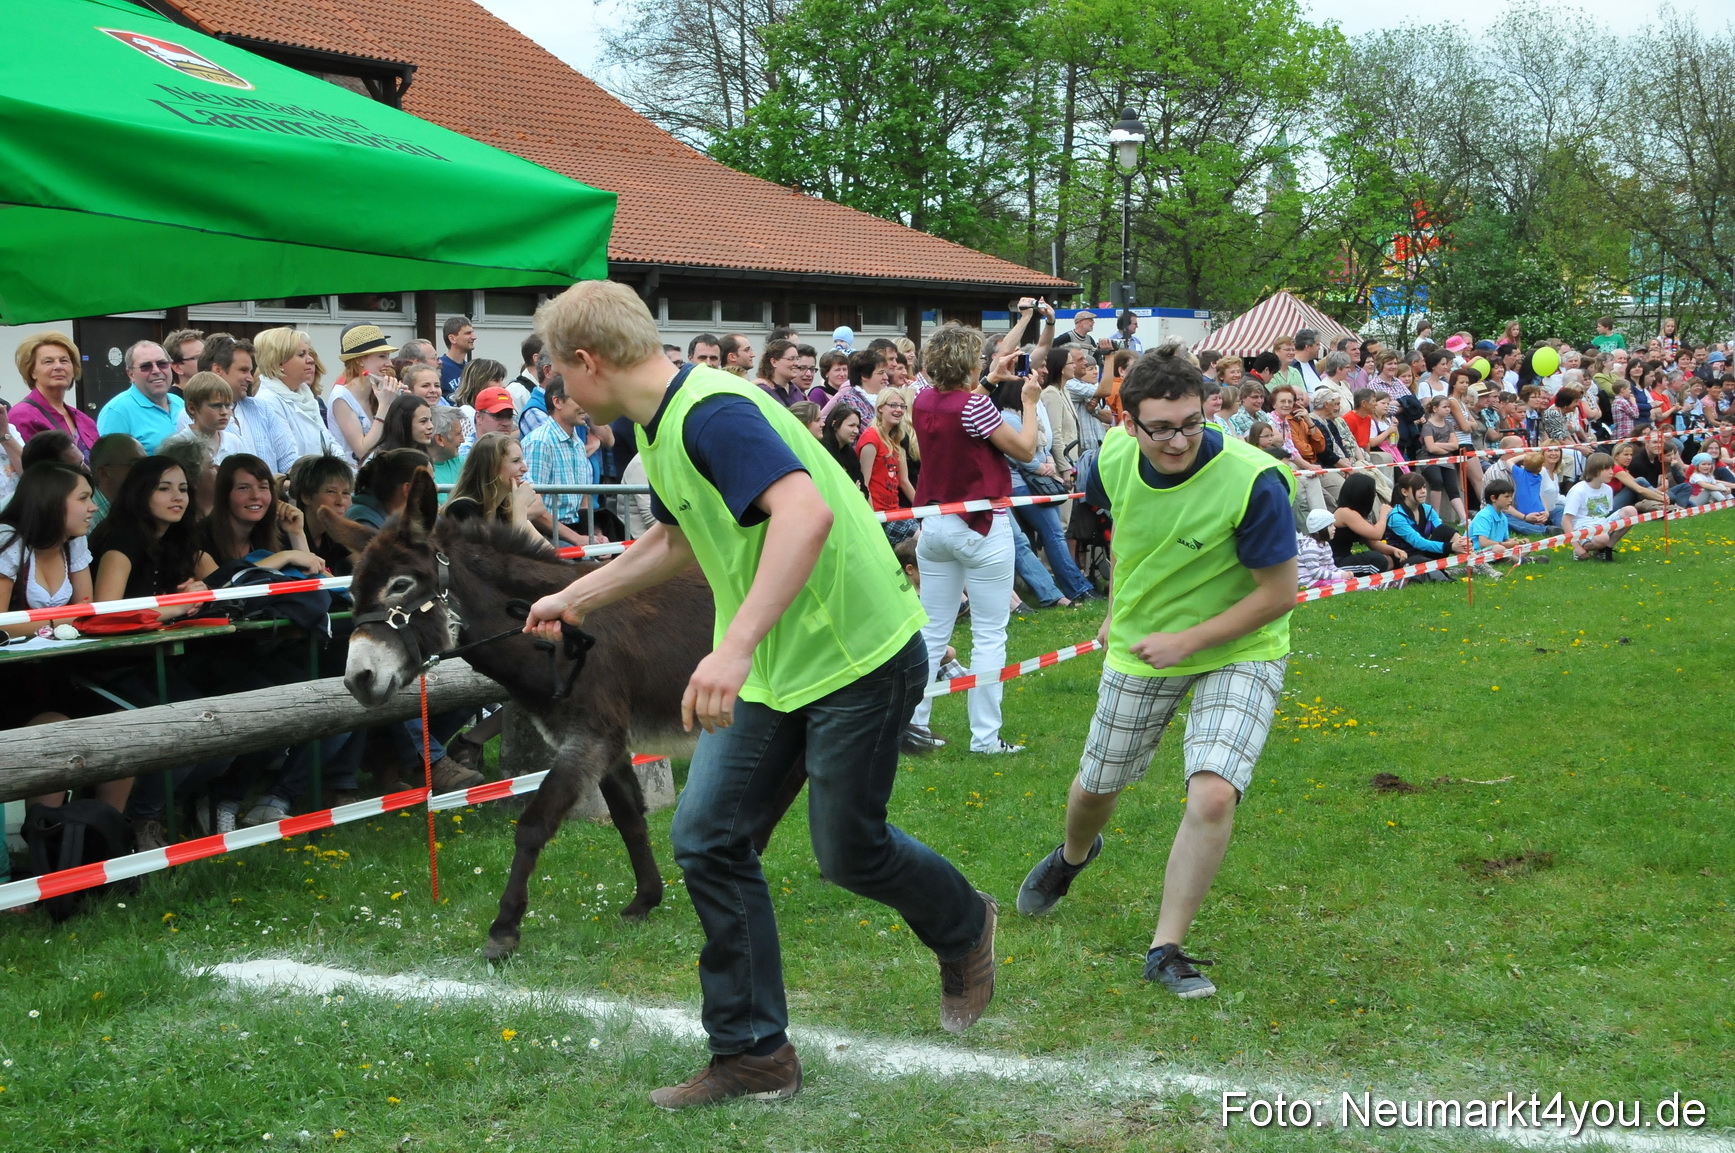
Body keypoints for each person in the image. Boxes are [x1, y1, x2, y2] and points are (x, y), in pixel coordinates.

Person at [523, 281, 997, 1108]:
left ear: (587, 363)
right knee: (707, 838)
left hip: (859, 653)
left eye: (560, 373)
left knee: (848, 850)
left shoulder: (712, 412)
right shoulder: (661, 421)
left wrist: (731, 647)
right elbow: (675, 536)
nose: (562, 388)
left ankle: (963, 923)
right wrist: (579, 595)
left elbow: (804, 515)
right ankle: (753, 1053)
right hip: (780, 664)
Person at [1015, 343, 1296, 1001]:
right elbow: (1132, 539)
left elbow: (1276, 593)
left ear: (1210, 407)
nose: (1178, 440)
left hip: (1241, 645)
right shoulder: (1110, 459)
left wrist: (1189, 640)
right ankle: (1072, 856)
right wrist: (1120, 610)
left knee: (1213, 791)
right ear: (1127, 422)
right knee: (1095, 785)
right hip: (1143, 645)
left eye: (1192, 422)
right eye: (1161, 427)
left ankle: (1164, 948)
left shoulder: (1254, 480)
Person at [905, 330, 1043, 756]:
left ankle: (914, 726)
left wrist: (990, 380)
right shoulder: (975, 405)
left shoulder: (922, 399)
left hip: (934, 525)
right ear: (969, 365)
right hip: (980, 525)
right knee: (988, 634)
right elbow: (1025, 450)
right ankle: (985, 738)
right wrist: (1030, 403)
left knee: (931, 631)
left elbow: (955, 408)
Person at [0, 462, 96, 640]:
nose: (93, 507)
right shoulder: (8, 539)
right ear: (52, 501)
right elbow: (1, 623)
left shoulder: (75, 540)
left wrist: (50, 622)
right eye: (83, 498)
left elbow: (85, 609)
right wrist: (58, 621)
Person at [195, 454, 326, 575]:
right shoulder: (198, 538)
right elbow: (221, 584)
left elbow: (312, 581)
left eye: (263, 487)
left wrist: (296, 533)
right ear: (224, 494)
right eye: (243, 488)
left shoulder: (277, 534)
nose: (255, 496)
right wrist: (285, 557)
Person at [521, 373, 604, 546]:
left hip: (572, 530)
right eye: (578, 399)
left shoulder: (577, 442)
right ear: (557, 402)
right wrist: (578, 539)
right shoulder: (540, 442)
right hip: (545, 535)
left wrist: (595, 535)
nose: (585, 406)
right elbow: (533, 509)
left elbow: (583, 502)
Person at [195, 334, 294, 472]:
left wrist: (281, 484)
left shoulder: (262, 408)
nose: (250, 379)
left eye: (250, 371)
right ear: (218, 370)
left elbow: (290, 461)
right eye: (243, 370)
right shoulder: (194, 415)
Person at [254, 327, 342, 463]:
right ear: (278, 362)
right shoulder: (268, 402)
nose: (311, 360)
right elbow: (290, 460)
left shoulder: (307, 397)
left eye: (308, 354)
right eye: (302, 354)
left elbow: (330, 443)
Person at [11, 332, 98, 460]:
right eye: (48, 362)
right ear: (32, 371)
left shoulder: (84, 420)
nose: (58, 366)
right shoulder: (22, 417)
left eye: (64, 360)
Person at [444, 431, 547, 537]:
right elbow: (513, 550)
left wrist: (518, 509)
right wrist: (520, 507)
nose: (525, 468)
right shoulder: (462, 509)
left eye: (522, 460)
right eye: (516, 461)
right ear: (492, 468)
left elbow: (545, 550)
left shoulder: (504, 508)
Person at [326, 324, 401, 465]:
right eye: (382, 356)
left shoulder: (377, 392)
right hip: (352, 481)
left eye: (388, 356)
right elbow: (362, 451)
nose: (389, 363)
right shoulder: (341, 396)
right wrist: (385, 405)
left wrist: (399, 402)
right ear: (359, 360)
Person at [97, 341, 185, 452]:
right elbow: (113, 464)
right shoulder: (117, 412)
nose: (156, 371)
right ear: (131, 374)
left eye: (162, 364)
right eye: (146, 366)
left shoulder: (180, 403)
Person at [288, 454, 357, 575]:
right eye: (331, 492)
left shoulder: (334, 534)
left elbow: (366, 565)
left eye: (346, 492)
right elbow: (317, 580)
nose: (340, 501)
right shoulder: (287, 533)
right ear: (306, 497)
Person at [855, 385, 917, 519]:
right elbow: (864, 484)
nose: (899, 410)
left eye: (902, 406)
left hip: (894, 509)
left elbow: (904, 481)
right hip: (878, 513)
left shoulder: (897, 438)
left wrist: (923, 510)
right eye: (893, 405)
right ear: (880, 408)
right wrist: (873, 518)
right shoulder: (871, 438)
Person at [159, 371, 242, 465]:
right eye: (216, 406)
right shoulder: (178, 445)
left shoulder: (233, 441)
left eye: (228, 406)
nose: (224, 412)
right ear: (192, 408)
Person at [1562, 452, 1633, 561]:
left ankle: (1606, 549)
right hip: (1583, 527)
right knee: (1602, 538)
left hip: (1602, 524)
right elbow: (1566, 520)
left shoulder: (1608, 489)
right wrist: (1576, 546)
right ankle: (1582, 548)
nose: (1611, 472)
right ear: (1595, 470)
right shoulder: (1578, 490)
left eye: (1612, 468)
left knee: (1630, 511)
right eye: (1607, 469)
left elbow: (1605, 514)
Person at [1330, 472, 1403, 572]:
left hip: (1345, 559)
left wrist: (1394, 550)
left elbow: (1372, 543)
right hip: (1334, 564)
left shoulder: (1356, 514)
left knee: (1390, 558)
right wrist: (1383, 514)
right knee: (1377, 559)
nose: (1374, 496)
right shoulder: (1345, 512)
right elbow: (1376, 534)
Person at [818, 405, 865, 496]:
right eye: (851, 425)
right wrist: (854, 491)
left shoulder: (850, 453)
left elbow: (863, 488)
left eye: (858, 426)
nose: (856, 431)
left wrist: (860, 493)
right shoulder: (823, 450)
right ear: (835, 424)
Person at [377, 393, 436, 457]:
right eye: (423, 421)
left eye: (431, 420)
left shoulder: (424, 455)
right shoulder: (385, 462)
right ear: (404, 423)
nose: (431, 426)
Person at [754, 340, 805, 407]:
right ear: (774, 362)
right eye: (791, 359)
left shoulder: (796, 391)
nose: (796, 363)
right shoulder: (763, 391)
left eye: (797, 359)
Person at [426, 405, 465, 491]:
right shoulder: (419, 470)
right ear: (440, 439)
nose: (463, 440)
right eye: (458, 434)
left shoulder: (460, 462)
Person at [439, 315, 476, 399]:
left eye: (472, 332)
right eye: (468, 333)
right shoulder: (439, 367)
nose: (474, 337)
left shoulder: (471, 369)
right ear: (452, 338)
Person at [163, 328, 206, 397]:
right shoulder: (172, 403)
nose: (206, 360)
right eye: (197, 357)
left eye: (206, 355)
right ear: (177, 368)